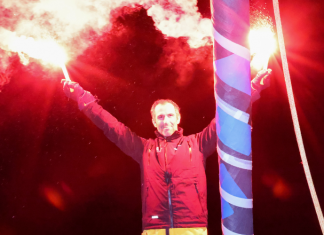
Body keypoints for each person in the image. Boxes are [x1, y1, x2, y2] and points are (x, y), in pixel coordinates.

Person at [62, 69, 271, 235]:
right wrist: (84, 99)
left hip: (192, 228)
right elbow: (112, 127)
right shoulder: (144, 149)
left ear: (178, 118)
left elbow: (226, 117)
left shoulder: (197, 143)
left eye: (170, 115)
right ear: (154, 121)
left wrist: (253, 88)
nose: (166, 120)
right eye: (160, 117)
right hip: (154, 229)